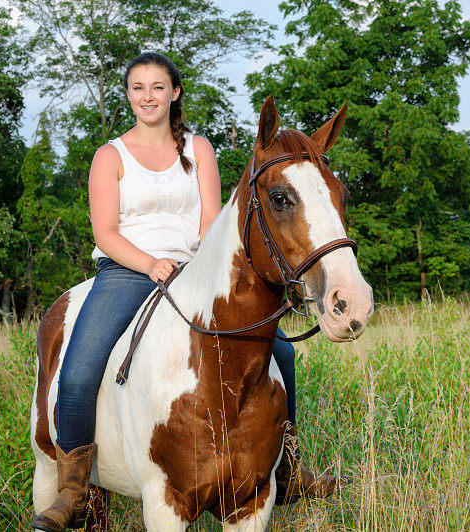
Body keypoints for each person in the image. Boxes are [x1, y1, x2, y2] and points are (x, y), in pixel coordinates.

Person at [31, 53, 342, 532]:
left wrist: (198, 268)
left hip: (195, 269)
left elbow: (210, 222)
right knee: (77, 370)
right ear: (129, 95)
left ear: (174, 93)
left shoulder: (198, 149)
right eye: (138, 88)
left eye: (158, 87)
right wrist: (150, 263)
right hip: (126, 270)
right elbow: (106, 232)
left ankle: (289, 466)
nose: (147, 96)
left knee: (282, 352)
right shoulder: (110, 156)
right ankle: (73, 487)